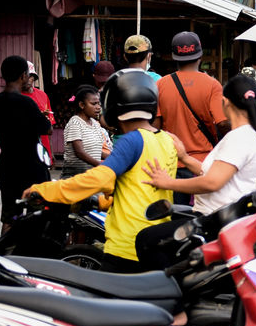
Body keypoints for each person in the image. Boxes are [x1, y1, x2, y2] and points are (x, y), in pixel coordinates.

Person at [23, 70, 176, 272]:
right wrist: (104, 202)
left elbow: (98, 179)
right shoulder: (167, 140)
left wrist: (45, 190)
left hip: (126, 249)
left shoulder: (132, 140)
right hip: (156, 244)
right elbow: (139, 188)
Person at [142, 74, 256, 213]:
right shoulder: (246, 134)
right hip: (219, 215)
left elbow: (212, 182)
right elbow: (216, 173)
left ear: (225, 102)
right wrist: (184, 157)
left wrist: (168, 183)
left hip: (216, 220)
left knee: (146, 235)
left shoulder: (240, 137)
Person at [156, 32, 227, 196]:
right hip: (202, 165)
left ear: (175, 57)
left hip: (172, 165)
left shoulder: (160, 84)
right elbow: (222, 123)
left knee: (177, 218)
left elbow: (156, 127)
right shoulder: (212, 85)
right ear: (200, 56)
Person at [0, 55, 51, 231]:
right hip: (30, 167)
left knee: (9, 217)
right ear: (23, 76)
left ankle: (2, 255)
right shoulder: (26, 102)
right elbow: (46, 128)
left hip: (7, 165)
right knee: (36, 214)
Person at [60, 85, 112, 178]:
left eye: (99, 104)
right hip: (75, 179)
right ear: (82, 105)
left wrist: (114, 158)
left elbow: (95, 151)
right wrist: (101, 166)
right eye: (94, 104)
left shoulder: (95, 124)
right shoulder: (75, 123)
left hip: (91, 177)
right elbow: (80, 152)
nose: (98, 107)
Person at [26, 69, 54, 158]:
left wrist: (51, 152)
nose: (27, 79)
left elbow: (50, 126)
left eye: (30, 76)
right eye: (25, 76)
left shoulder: (42, 95)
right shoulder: (15, 97)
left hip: (43, 148)